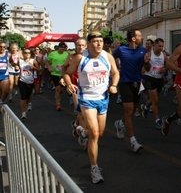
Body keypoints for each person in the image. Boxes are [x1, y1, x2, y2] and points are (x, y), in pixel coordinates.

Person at [63, 31, 119, 184]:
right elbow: (67, 72)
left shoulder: (108, 56)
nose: (100, 44)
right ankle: (94, 168)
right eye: (96, 41)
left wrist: (113, 85)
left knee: (100, 134)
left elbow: (115, 73)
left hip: (103, 99)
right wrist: (69, 83)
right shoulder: (80, 58)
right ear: (89, 44)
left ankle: (81, 130)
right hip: (86, 99)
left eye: (101, 41)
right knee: (94, 134)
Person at [112, 29, 151, 152]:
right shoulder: (121, 50)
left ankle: (120, 123)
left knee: (133, 110)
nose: (142, 37)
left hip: (138, 83)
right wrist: (115, 70)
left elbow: (148, 68)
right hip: (124, 83)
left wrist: (146, 62)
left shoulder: (144, 50)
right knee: (129, 111)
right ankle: (133, 141)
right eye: (140, 35)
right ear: (133, 38)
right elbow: (110, 59)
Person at [140, 38, 167, 129]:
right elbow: (146, 68)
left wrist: (165, 69)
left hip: (159, 79)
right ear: (154, 45)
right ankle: (157, 120)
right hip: (150, 78)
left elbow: (167, 64)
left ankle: (145, 106)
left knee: (154, 99)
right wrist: (146, 62)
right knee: (155, 101)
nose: (161, 48)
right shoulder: (149, 54)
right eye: (159, 46)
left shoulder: (163, 55)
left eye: (162, 46)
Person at [46, 42, 69, 110]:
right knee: (58, 88)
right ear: (59, 47)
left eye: (64, 47)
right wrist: (49, 67)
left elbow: (69, 63)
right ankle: (58, 104)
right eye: (61, 47)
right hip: (55, 73)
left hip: (63, 74)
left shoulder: (66, 54)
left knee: (62, 89)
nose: (63, 48)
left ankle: (57, 96)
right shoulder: (53, 54)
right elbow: (46, 61)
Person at [17, 48, 40, 119]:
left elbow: (39, 70)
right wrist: (16, 68)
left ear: (30, 54)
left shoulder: (33, 61)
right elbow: (16, 66)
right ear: (23, 54)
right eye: (25, 53)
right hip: (22, 80)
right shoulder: (20, 61)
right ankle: (23, 113)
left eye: (28, 53)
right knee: (23, 97)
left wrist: (33, 67)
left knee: (27, 96)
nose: (27, 54)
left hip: (30, 81)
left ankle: (26, 106)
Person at [0, 41, 10, 105]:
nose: (2, 48)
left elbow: (14, 62)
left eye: (4, 47)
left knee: (6, 91)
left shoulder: (8, 54)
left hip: (4, 74)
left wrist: (16, 65)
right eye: (0, 47)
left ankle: (1, 102)